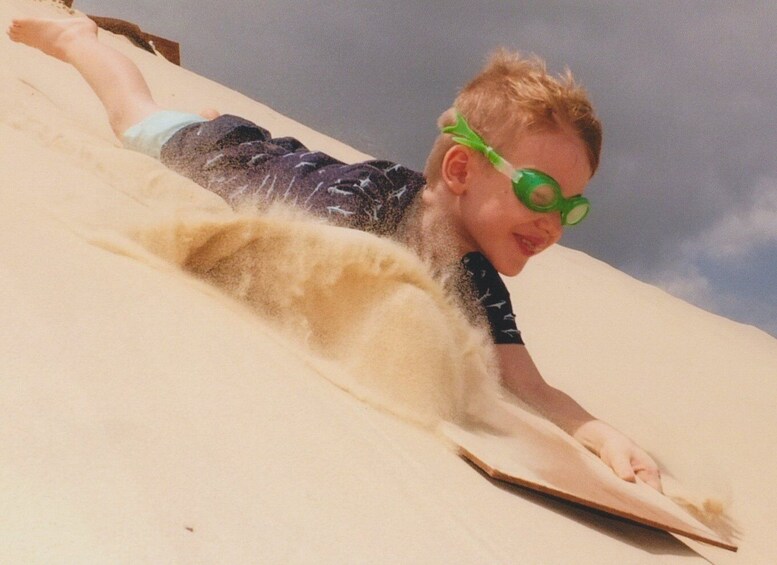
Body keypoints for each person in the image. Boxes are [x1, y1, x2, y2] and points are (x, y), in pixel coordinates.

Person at [7, 16, 662, 491]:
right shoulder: (373, 198)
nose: (553, 222)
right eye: (538, 193)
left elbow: (525, 381)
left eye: (570, 208)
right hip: (219, 157)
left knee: (252, 142)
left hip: (282, 155)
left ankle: (210, 112)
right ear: (460, 169)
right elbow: (311, 263)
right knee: (133, 117)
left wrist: (601, 435)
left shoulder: (478, 279)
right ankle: (79, 41)